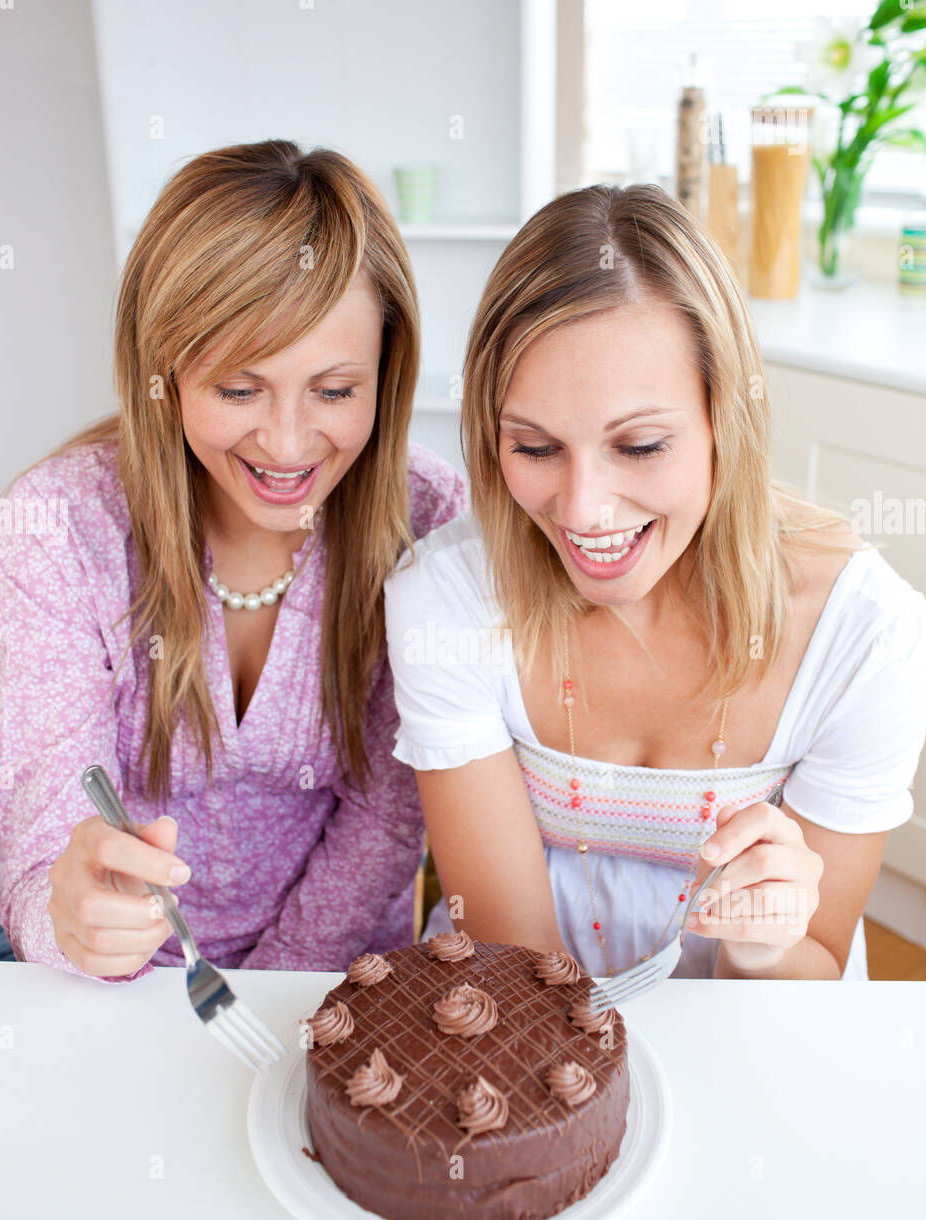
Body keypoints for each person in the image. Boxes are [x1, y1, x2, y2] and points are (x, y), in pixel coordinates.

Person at [383, 182, 926, 980]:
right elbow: (513, 952)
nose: (583, 509)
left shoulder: (864, 634)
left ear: (723, 421)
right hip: (526, 1004)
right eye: (534, 448)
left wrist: (764, 940)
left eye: (638, 446)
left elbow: (812, 965)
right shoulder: (445, 600)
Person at [0, 139, 466, 981]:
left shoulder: (431, 518)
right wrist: (65, 915)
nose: (286, 444)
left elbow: (387, 824)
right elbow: (44, 845)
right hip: (97, 982)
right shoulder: (52, 525)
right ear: (162, 374)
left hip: (334, 981)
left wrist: (251, 1007)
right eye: (238, 390)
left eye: (335, 390)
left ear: (387, 374)